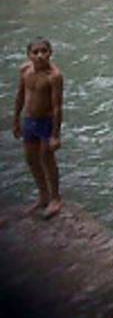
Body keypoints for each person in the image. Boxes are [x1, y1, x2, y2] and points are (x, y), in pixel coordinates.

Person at [12, 38, 64, 219]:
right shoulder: (25, 71)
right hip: (29, 120)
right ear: (29, 55)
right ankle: (43, 195)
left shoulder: (54, 76)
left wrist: (56, 135)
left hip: (45, 121)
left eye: (44, 51)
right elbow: (20, 95)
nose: (40, 55)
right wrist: (16, 120)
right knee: (31, 159)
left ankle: (55, 198)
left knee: (47, 159)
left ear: (50, 53)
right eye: (35, 52)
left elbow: (57, 107)